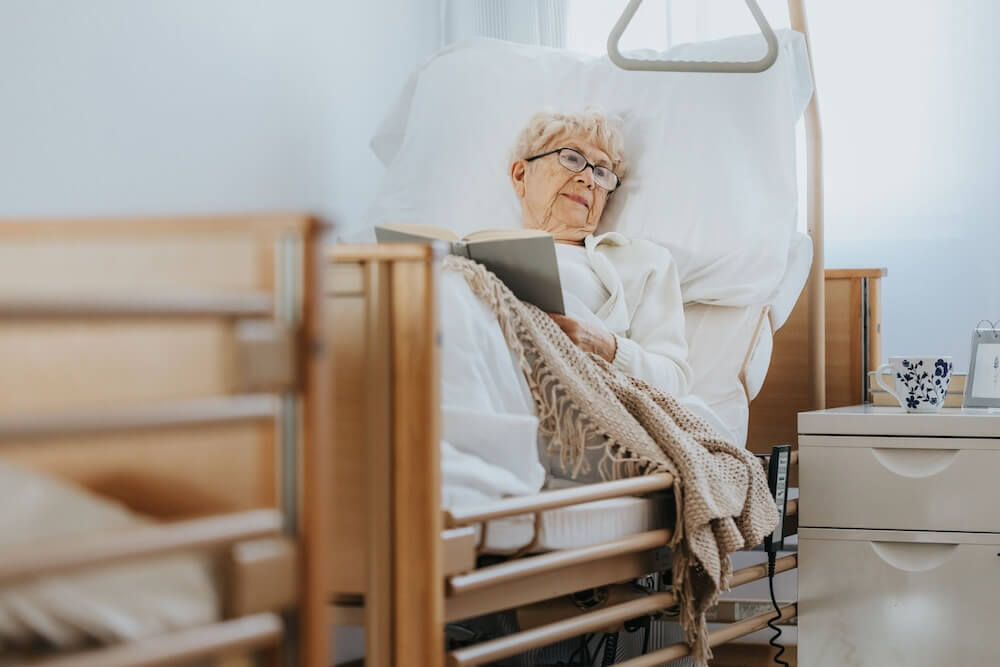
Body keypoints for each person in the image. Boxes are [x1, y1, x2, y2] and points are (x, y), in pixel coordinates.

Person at [509, 110, 694, 399]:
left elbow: (674, 382)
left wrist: (607, 348)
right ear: (521, 175)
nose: (588, 179)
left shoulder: (641, 261)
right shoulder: (472, 252)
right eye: (571, 158)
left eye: (601, 172)